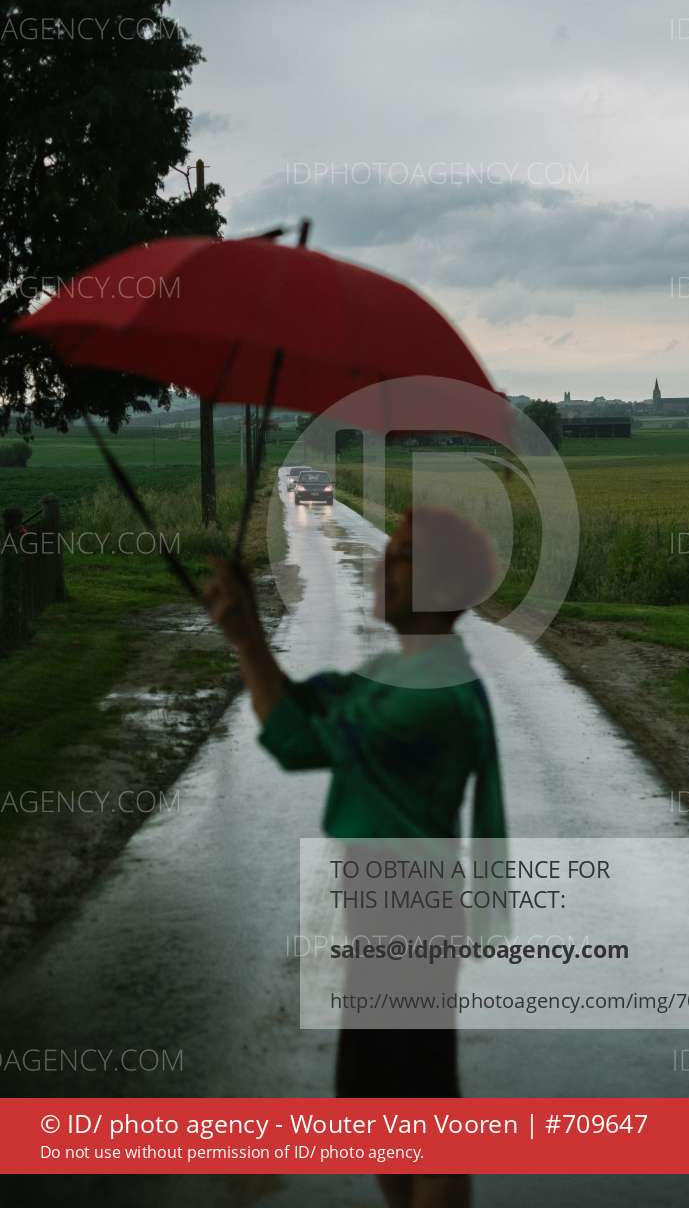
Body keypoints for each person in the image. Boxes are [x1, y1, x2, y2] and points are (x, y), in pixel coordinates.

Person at [204, 504, 507, 1208]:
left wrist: (248, 640)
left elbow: (307, 738)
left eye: (403, 556)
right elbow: (303, 713)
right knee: (376, 1102)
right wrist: (247, 639)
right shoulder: (397, 676)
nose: (382, 565)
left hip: (411, 918)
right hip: (388, 914)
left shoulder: (432, 696)